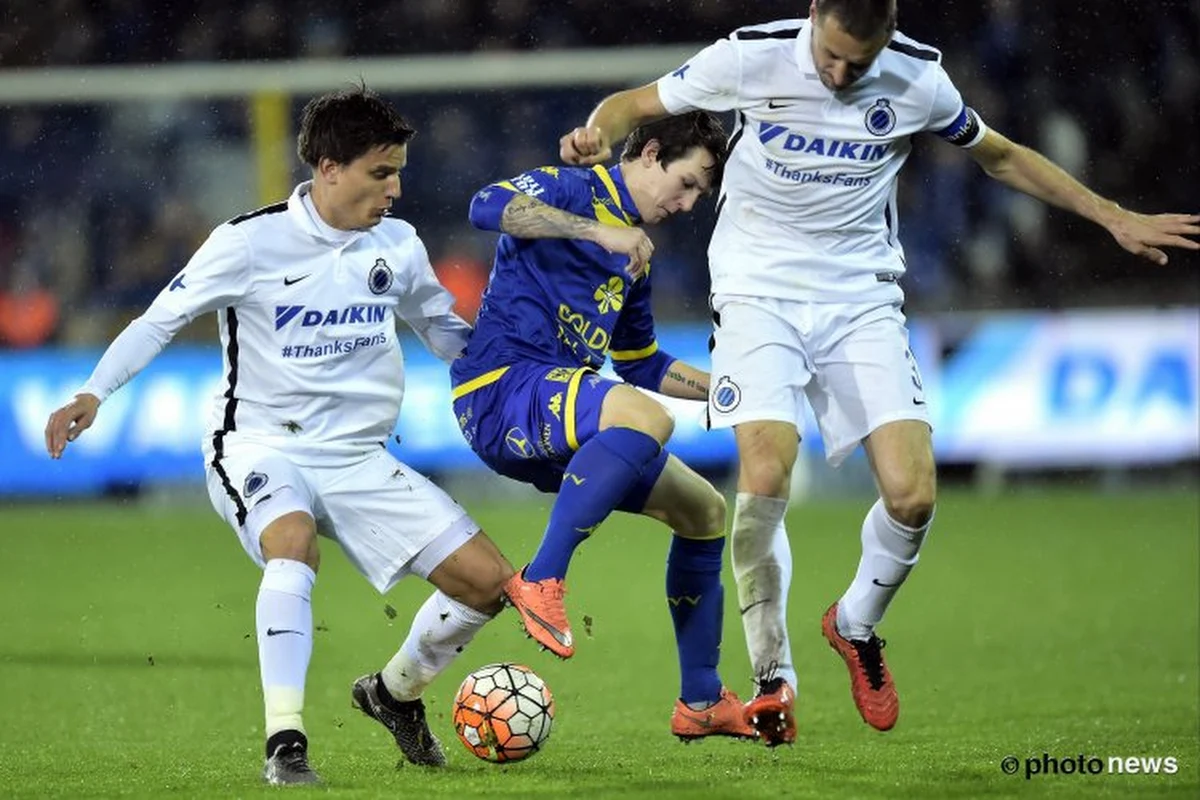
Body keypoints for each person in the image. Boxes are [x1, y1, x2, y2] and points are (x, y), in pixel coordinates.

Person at [558, 0, 1200, 746]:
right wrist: (597, 133)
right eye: (828, 55)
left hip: (860, 295)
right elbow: (634, 103)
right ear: (813, 16)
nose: (837, 73)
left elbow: (999, 155)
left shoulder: (918, 79)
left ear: (885, 41)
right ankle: (774, 680)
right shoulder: (751, 56)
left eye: (854, 65)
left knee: (913, 495)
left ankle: (854, 623)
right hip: (755, 286)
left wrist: (1109, 213)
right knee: (765, 471)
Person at [44, 86, 517, 784]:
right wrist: (94, 391)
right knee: (290, 547)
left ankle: (392, 694)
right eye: (380, 172)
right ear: (329, 168)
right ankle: (285, 744)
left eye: (399, 172)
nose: (395, 188)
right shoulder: (247, 243)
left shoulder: (399, 244)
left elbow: (443, 332)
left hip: (358, 457)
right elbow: (158, 321)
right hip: (264, 444)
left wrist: (515, 369)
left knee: (488, 585)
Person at [450, 111, 756, 741]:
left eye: (700, 193)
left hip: (563, 407)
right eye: (689, 182)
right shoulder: (575, 188)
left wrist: (727, 392)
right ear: (648, 153)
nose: (690, 202)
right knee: (647, 419)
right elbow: (485, 206)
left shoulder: (637, 254)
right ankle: (542, 577)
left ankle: (700, 699)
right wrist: (598, 232)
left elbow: (640, 362)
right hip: (501, 387)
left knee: (703, 511)